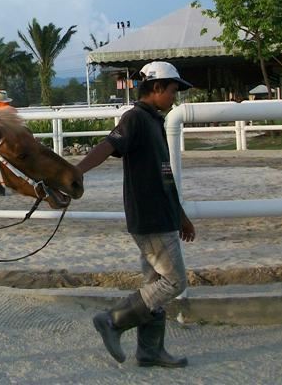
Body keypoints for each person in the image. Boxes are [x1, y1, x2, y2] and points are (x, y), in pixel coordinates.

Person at [76, 61, 196, 368]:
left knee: (154, 283)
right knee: (174, 283)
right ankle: (112, 321)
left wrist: (180, 214)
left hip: (164, 214)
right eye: (172, 90)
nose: (175, 97)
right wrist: (76, 171)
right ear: (156, 88)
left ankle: (150, 351)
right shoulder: (135, 119)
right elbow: (108, 146)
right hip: (151, 217)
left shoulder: (155, 121)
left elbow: (165, 176)